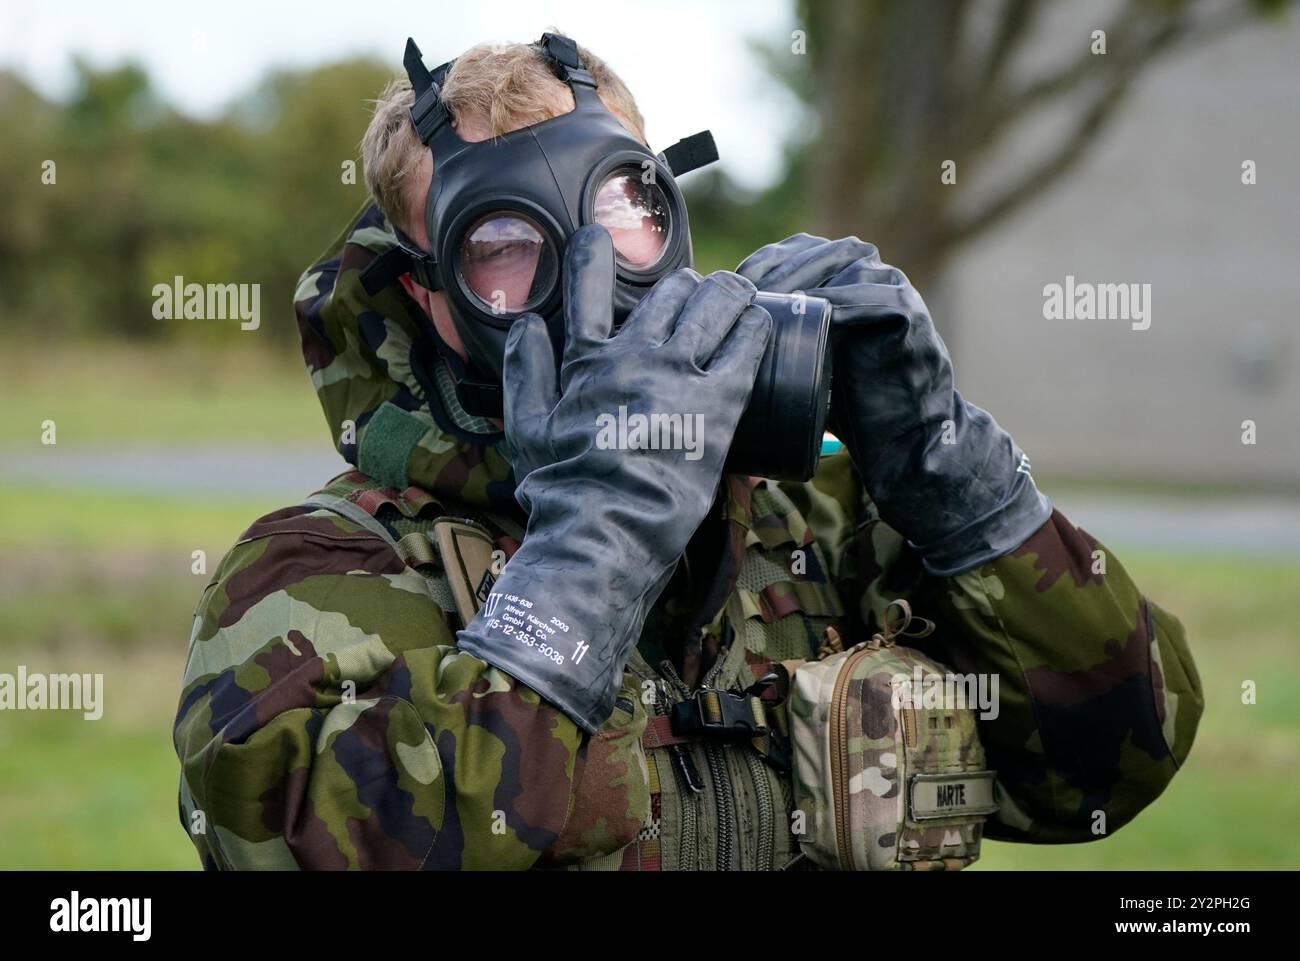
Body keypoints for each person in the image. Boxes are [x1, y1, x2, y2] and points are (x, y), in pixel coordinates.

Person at [173, 33, 1202, 870]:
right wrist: (597, 538)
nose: (588, 274)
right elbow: (315, 845)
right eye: (503, 245)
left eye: (620, 210)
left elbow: (1113, 767)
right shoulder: (319, 575)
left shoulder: (820, 526)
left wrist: (952, 474)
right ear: (425, 293)